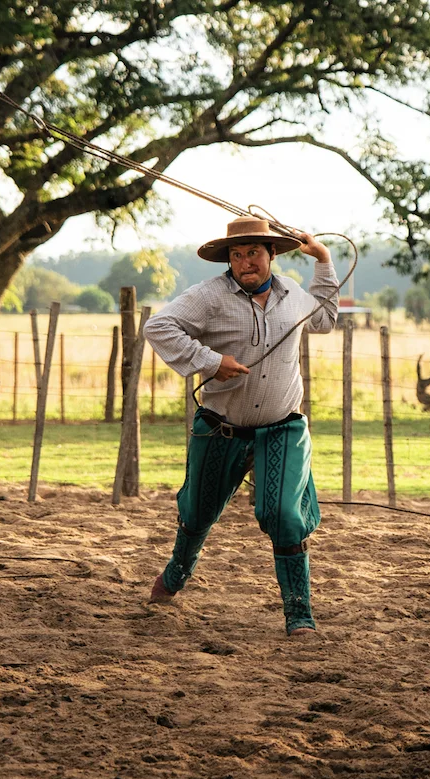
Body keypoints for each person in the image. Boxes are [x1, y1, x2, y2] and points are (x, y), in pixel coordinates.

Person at [143, 215, 338, 636]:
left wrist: (322, 260)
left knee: (284, 514)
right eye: (236, 255)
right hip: (220, 427)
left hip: (282, 427)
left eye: (253, 252)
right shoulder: (209, 297)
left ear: (272, 255)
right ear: (227, 261)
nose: (245, 262)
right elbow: (157, 326)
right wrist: (212, 362)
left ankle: (299, 612)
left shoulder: (294, 295)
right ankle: (178, 571)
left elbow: (325, 319)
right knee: (196, 512)